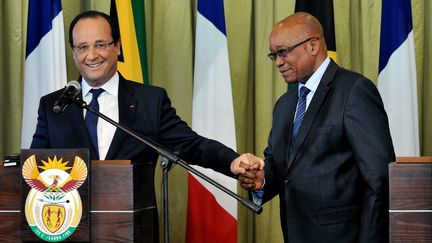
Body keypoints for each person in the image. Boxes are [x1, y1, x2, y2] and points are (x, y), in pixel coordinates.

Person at [30, 10, 262, 242]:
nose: (91, 55)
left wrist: (232, 161)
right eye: (82, 47)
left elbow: (192, 145)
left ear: (118, 47)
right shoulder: (54, 106)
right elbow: (34, 170)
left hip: (134, 232)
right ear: (73, 53)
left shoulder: (149, 101)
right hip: (69, 232)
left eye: (101, 44)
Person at [239, 12, 395, 242]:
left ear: (313, 45)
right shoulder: (285, 104)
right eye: (274, 55)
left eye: (283, 52)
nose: (279, 62)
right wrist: (261, 180)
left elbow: (379, 181)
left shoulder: (354, 91)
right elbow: (282, 166)